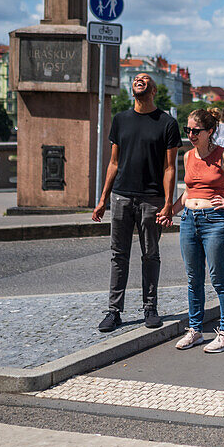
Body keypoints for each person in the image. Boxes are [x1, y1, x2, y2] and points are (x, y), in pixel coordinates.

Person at [165, 108, 224, 353]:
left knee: (219, 279)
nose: (190, 135)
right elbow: (188, 192)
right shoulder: (188, 157)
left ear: (210, 131)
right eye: (187, 130)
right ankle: (195, 331)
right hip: (188, 219)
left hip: (215, 222)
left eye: (195, 131)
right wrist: (171, 212)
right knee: (193, 279)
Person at [92, 73, 181, 333]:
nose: (139, 80)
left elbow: (169, 167)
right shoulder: (121, 120)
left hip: (152, 199)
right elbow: (113, 163)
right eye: (136, 78)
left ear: (153, 90)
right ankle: (114, 311)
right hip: (121, 196)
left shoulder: (167, 123)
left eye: (145, 79)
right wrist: (103, 199)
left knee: (150, 255)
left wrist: (167, 203)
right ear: (133, 89)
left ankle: (150, 308)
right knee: (118, 256)